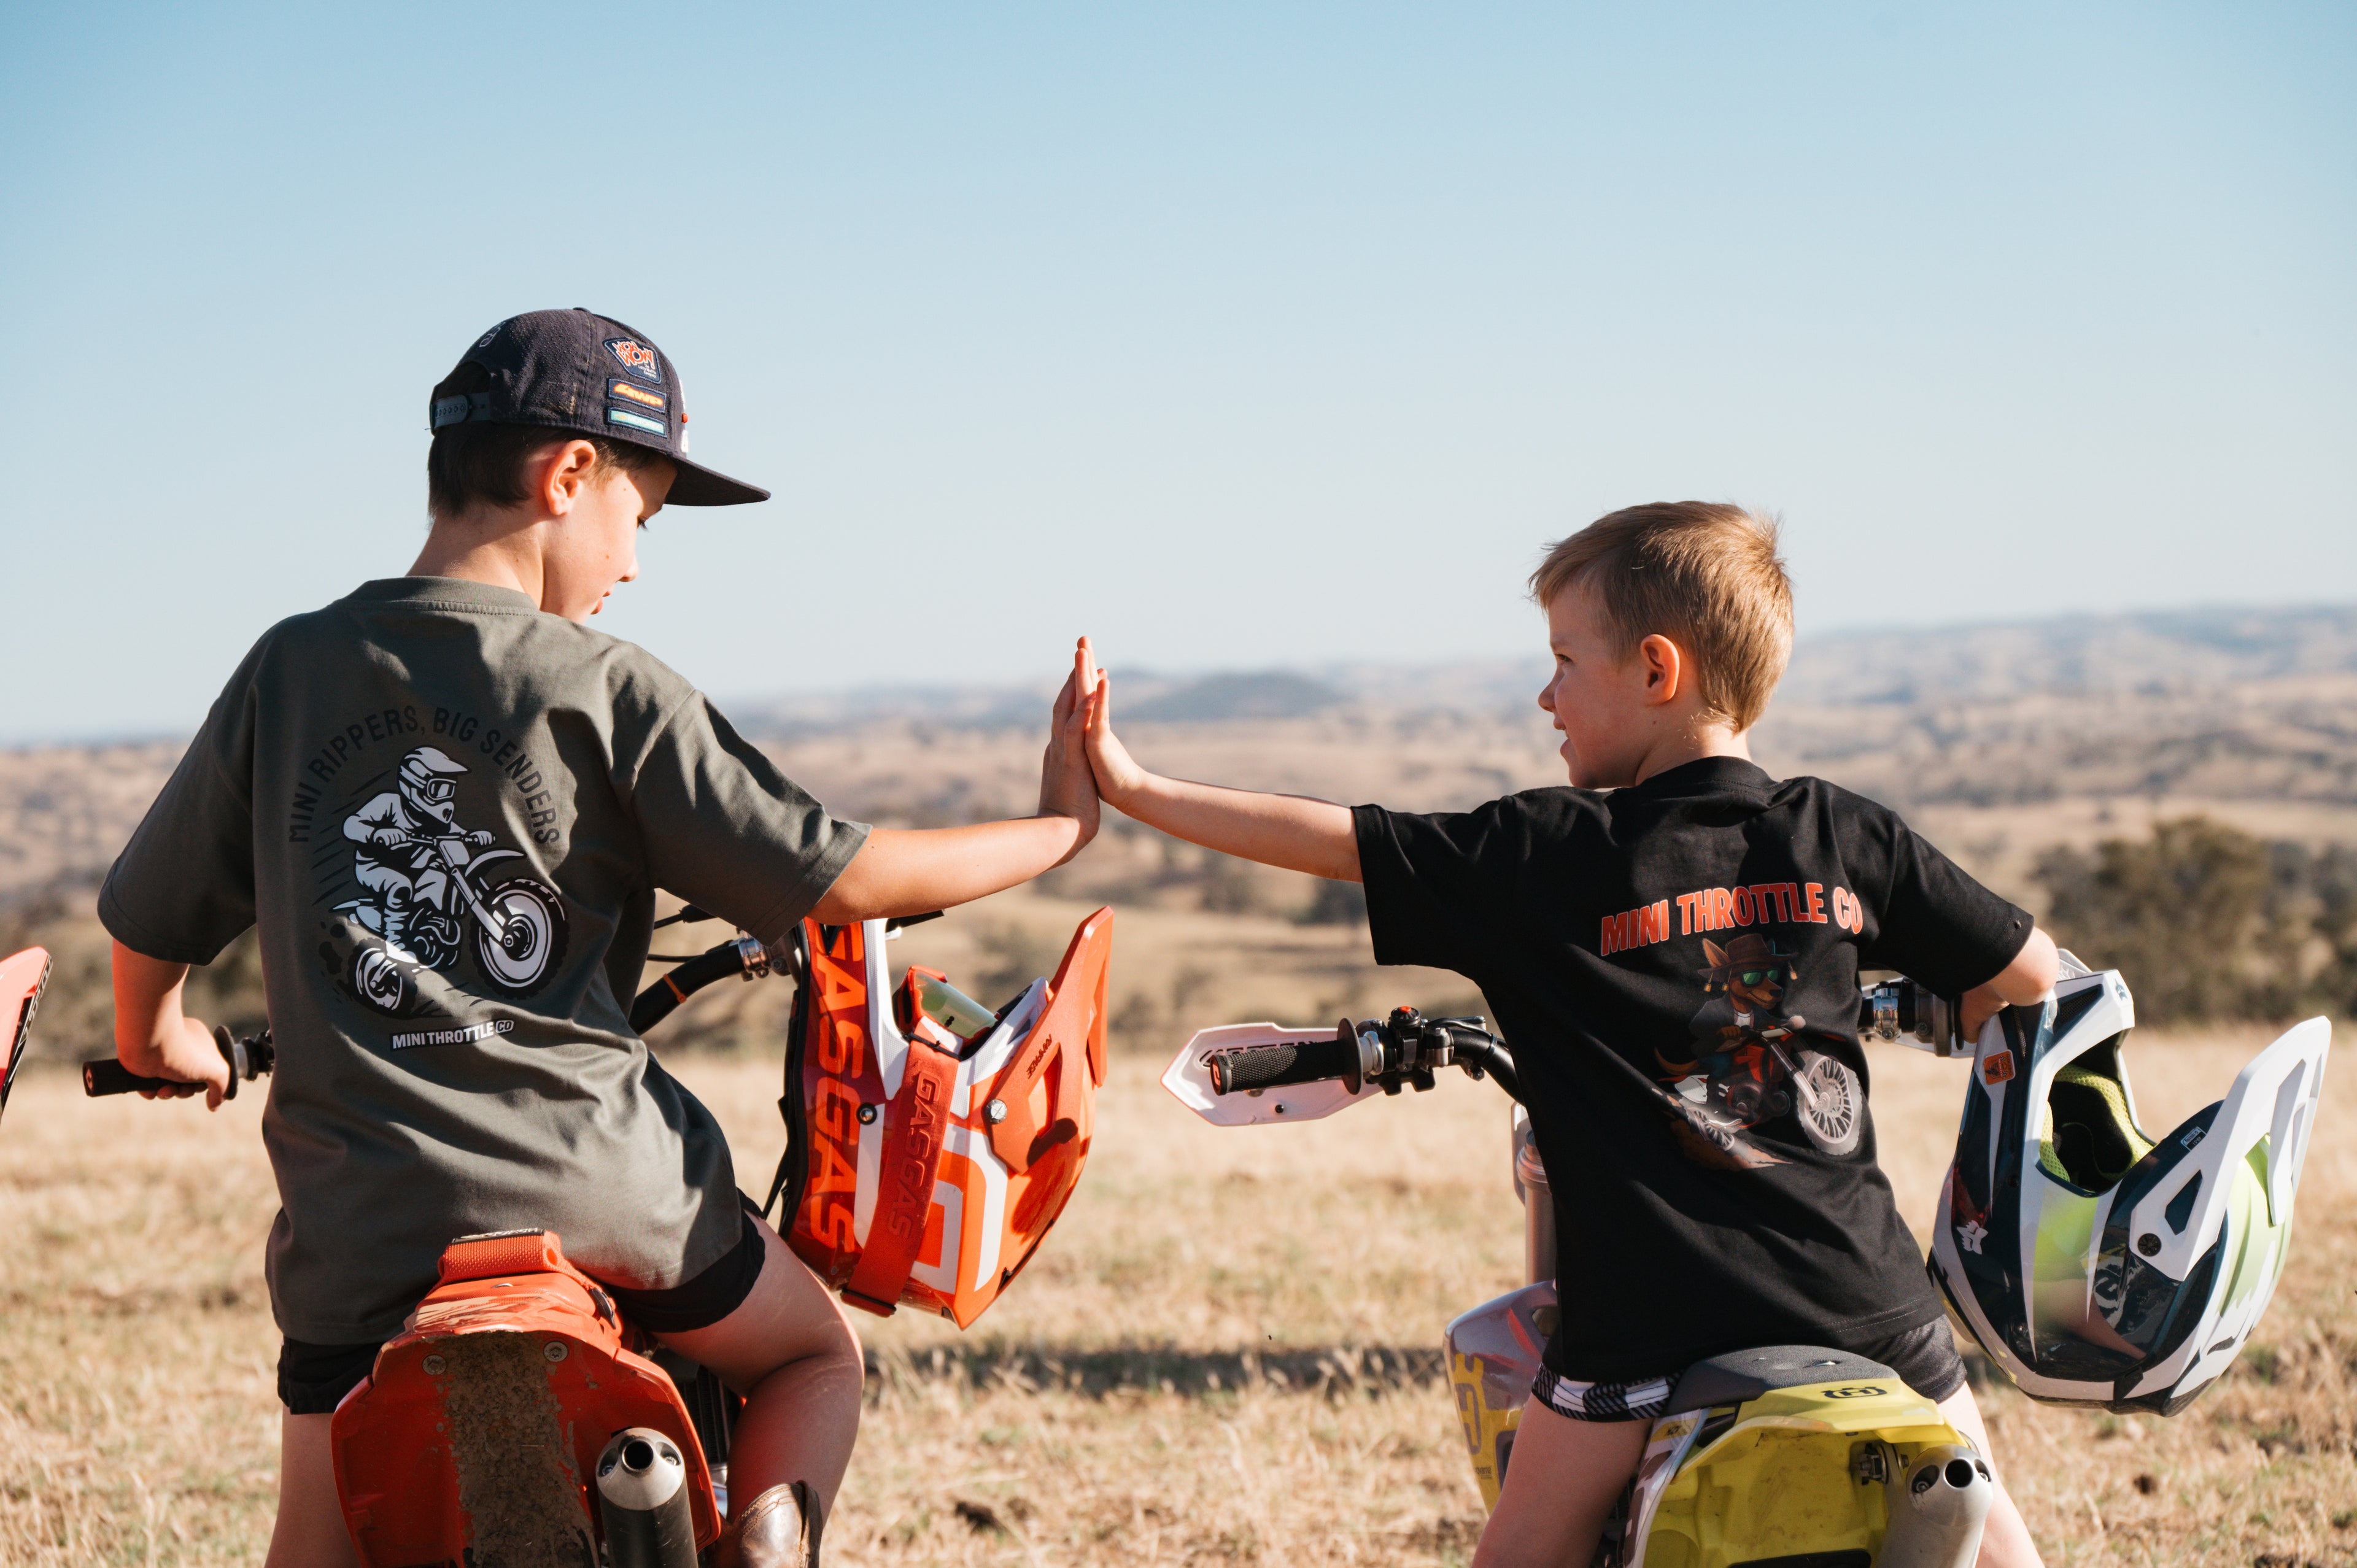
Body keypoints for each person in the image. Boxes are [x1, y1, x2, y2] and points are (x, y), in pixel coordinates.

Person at [101, 309, 1101, 1568]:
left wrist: (161, 1038)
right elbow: (853, 879)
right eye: (643, 513)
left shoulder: (289, 670)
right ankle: (763, 1540)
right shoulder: (607, 687)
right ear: (569, 475)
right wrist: (1060, 829)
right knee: (813, 1355)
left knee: (315, 1532)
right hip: (612, 1200)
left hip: (365, 1234)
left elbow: (149, 919)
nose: (635, 560)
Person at [1075, 503, 2057, 1568]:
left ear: (1655, 671)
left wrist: (1135, 787)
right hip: (1872, 1313)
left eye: (1562, 661)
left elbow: (1339, 840)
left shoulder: (1545, 856)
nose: (1546, 695)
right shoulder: (1842, 833)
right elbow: (2035, 980)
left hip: (1646, 1333)